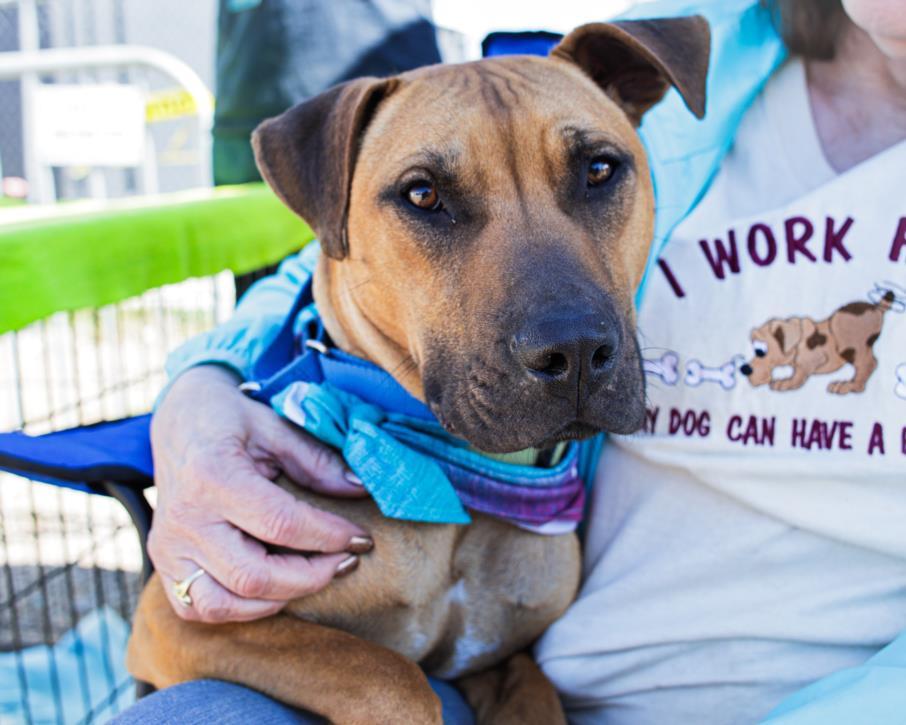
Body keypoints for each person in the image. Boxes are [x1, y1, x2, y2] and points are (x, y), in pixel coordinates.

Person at [120, 0, 906, 722]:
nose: (561, 331)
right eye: (431, 201)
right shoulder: (682, 63)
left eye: (597, 177)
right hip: (545, 653)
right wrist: (206, 381)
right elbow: (329, 263)